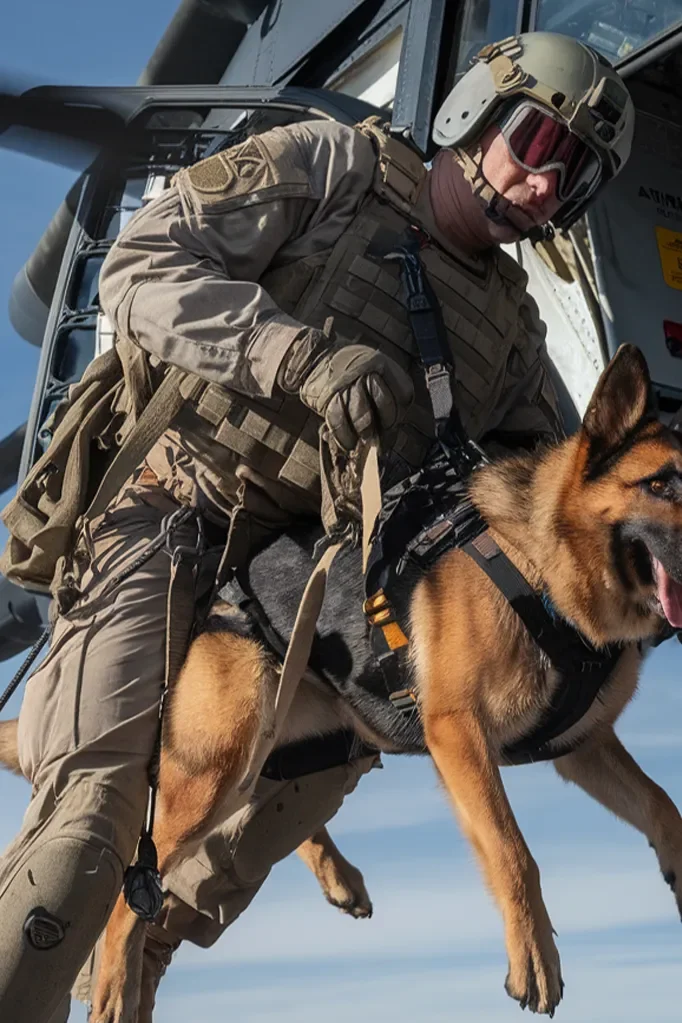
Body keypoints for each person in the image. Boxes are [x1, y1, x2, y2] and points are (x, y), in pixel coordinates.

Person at [0, 30, 634, 1023]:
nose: (546, 188)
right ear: (472, 110)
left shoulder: (510, 330)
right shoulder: (334, 167)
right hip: (178, 507)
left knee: (201, 870)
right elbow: (141, 266)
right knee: (86, 836)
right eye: (537, 144)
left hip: (308, 597)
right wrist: (293, 355)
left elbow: (567, 491)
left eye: (577, 179)